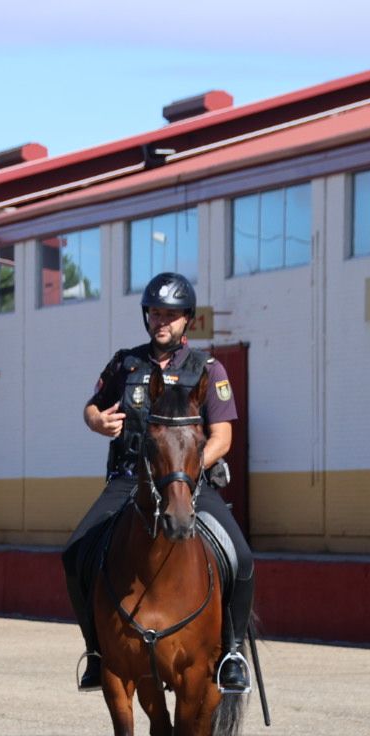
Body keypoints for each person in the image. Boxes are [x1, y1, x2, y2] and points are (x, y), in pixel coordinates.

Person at [60, 271, 256, 695]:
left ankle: (231, 653)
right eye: (154, 313)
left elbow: (222, 436)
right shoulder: (124, 363)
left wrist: (184, 469)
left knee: (240, 557)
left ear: (188, 320)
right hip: (128, 478)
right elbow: (92, 408)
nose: (161, 321)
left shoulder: (207, 368)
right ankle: (97, 652)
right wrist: (96, 420)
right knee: (74, 554)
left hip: (187, 484)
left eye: (171, 314)